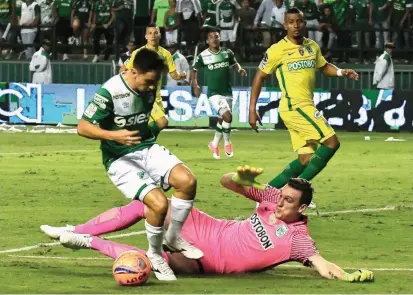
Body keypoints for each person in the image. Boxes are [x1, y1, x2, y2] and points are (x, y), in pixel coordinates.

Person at [53, 165, 374, 283]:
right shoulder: (271, 198)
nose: (279, 203)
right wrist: (242, 178)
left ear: (303, 208)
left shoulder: (297, 239)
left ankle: (85, 242)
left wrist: (347, 276)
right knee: (149, 203)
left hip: (206, 261)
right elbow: (226, 182)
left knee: (142, 262)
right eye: (281, 197)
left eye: (288, 202)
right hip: (207, 228)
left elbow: (322, 264)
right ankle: (77, 230)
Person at [41, 48, 203, 281]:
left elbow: (146, 120)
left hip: (144, 147)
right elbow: (83, 127)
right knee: (157, 204)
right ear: (133, 72)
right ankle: (155, 255)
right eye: (148, 81)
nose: (151, 87)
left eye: (155, 82)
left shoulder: (150, 85)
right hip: (118, 158)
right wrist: (115, 136)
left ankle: (173, 238)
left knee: (188, 181)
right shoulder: (110, 91)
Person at [249, 8, 359, 209]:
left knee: (306, 159)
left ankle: (266, 194)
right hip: (295, 106)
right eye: (291, 22)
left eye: (299, 21)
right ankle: (298, 192)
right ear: (285, 25)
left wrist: (342, 72)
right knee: (332, 142)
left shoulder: (311, 46)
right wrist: (251, 109)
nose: (296, 25)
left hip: (305, 105)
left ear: (304, 23)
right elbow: (259, 77)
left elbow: (324, 67)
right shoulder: (276, 50)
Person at [120, 24, 187, 138]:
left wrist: (180, 76)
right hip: (143, 95)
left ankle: (141, 143)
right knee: (162, 122)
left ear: (160, 35)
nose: (153, 36)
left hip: (156, 96)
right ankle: (142, 142)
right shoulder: (139, 53)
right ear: (146, 36)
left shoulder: (165, 54)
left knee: (154, 125)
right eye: (150, 33)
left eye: (155, 33)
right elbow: (123, 70)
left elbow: (173, 74)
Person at [191, 28, 247, 159]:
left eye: (216, 36)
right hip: (214, 93)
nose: (214, 39)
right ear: (207, 41)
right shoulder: (203, 56)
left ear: (220, 38)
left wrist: (240, 69)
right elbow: (193, 71)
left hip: (227, 91)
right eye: (211, 37)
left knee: (222, 119)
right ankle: (227, 143)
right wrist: (195, 85)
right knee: (228, 117)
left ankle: (214, 143)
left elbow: (235, 64)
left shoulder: (227, 52)